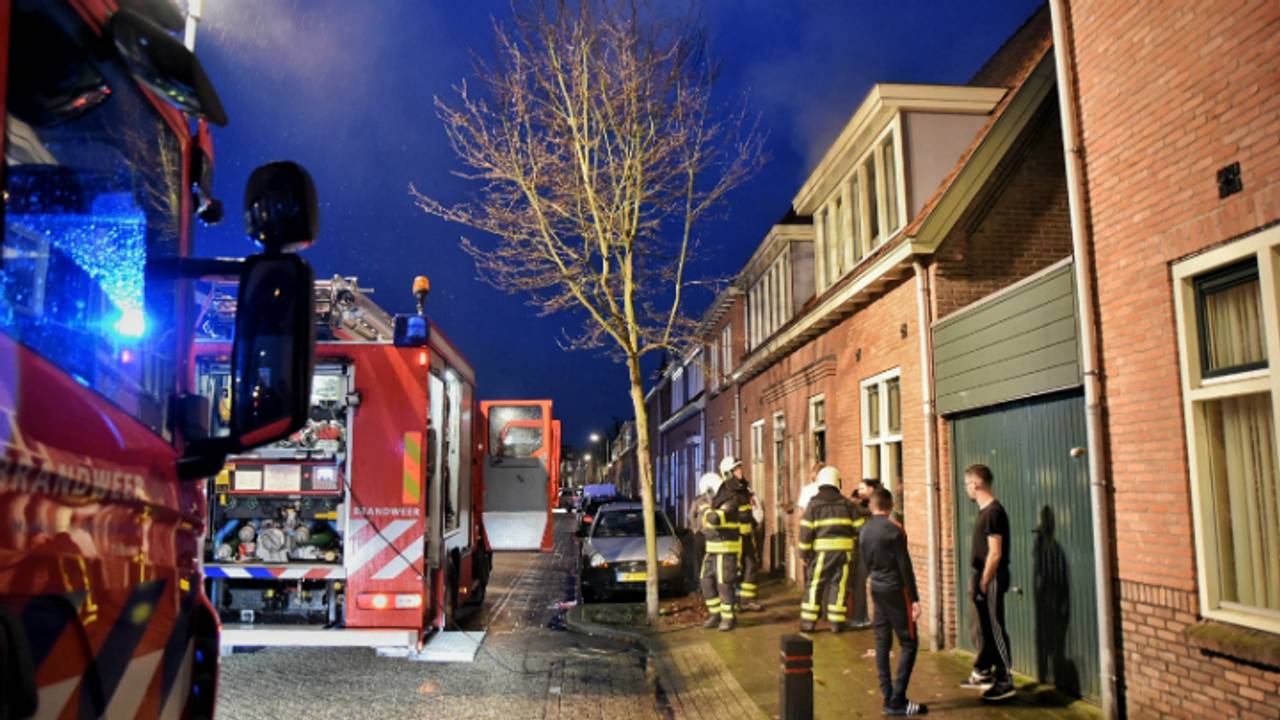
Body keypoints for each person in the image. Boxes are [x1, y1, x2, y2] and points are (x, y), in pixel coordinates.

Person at [860, 487, 926, 716]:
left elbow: (865, 563)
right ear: (890, 506)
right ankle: (897, 700)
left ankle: (887, 696)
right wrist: (915, 599)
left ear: (872, 505)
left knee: (882, 642)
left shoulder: (864, 530)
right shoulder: (895, 530)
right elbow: (904, 565)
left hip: (877, 588)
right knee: (909, 642)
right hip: (896, 591)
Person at [961, 463, 1015, 701]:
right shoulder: (985, 512)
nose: (966, 489)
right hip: (982, 576)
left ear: (976, 485)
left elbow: (995, 553)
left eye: (967, 484)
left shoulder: (993, 512)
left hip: (990, 577)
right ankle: (983, 672)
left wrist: (984, 580)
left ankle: (1005, 680)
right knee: (981, 627)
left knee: (994, 627)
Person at [797, 466, 863, 633]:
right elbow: (860, 528)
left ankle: (808, 623)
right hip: (845, 554)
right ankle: (836, 623)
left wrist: (803, 554)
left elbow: (805, 531)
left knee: (815, 585)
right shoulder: (848, 504)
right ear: (837, 482)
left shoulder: (814, 505)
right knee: (839, 586)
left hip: (822, 554)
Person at [697, 471, 744, 631]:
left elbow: (715, 519)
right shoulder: (716, 502)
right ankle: (715, 614)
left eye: (707, 493)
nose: (707, 497)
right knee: (705, 580)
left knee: (724, 584)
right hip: (712, 549)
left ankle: (728, 618)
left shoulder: (730, 500)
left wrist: (704, 509)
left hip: (726, 549)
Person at [720, 456, 763, 612]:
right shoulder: (726, 492)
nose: (740, 471)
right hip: (734, 538)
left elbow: (750, 510)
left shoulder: (744, 489)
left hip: (747, 536)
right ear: (728, 473)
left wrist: (754, 523)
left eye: (740, 468)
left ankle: (747, 600)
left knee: (751, 567)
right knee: (734, 571)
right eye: (736, 469)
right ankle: (732, 601)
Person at [845, 478, 878, 629]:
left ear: (871, 489)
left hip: (868, 549)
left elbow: (869, 514)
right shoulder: (861, 504)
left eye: (862, 488)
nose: (859, 492)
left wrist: (852, 505)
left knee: (861, 583)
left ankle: (860, 618)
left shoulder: (872, 504)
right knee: (859, 584)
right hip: (862, 548)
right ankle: (861, 616)